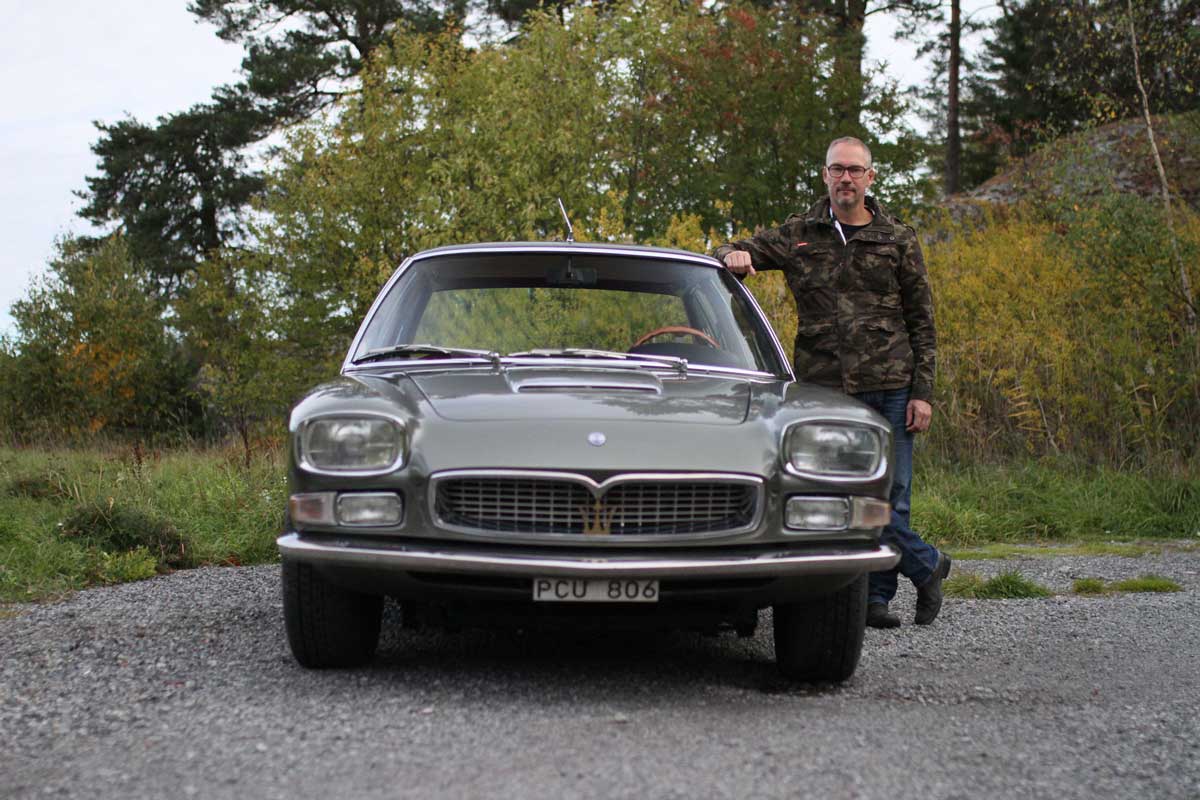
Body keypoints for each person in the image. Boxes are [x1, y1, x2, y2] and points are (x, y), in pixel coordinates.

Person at [714, 136, 951, 628]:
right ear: (825, 175)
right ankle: (927, 565)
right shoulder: (801, 234)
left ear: (870, 178)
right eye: (837, 169)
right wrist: (734, 254)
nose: (846, 178)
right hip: (826, 390)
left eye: (855, 170)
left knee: (891, 495)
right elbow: (727, 250)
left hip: (892, 385)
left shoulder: (898, 238)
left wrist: (923, 393)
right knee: (838, 494)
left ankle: (874, 601)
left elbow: (923, 322)